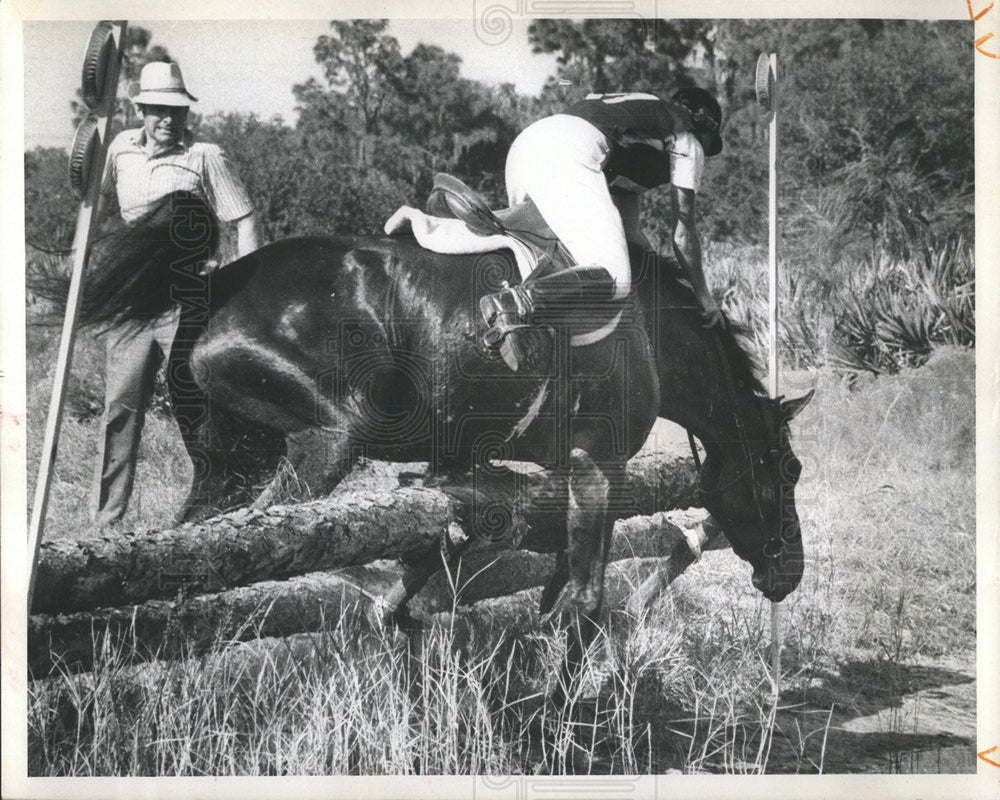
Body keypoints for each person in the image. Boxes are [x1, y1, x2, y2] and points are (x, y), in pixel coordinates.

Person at [89, 61, 261, 526]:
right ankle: (106, 522)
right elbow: (94, 204)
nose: (167, 120)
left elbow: (242, 217)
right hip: (132, 300)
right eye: (157, 110)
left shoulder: (204, 155)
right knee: (120, 408)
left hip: (185, 296)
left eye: (176, 111)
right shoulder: (120, 150)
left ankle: (219, 506)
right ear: (140, 110)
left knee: (198, 399)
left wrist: (247, 283)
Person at [480, 86, 725, 351]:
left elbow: (630, 234)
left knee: (555, 259)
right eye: (711, 148)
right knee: (615, 276)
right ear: (706, 126)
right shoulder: (688, 137)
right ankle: (514, 304)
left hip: (526, 145)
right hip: (568, 152)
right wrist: (703, 295)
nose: (707, 156)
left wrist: (661, 278)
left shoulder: (641, 125)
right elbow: (684, 234)